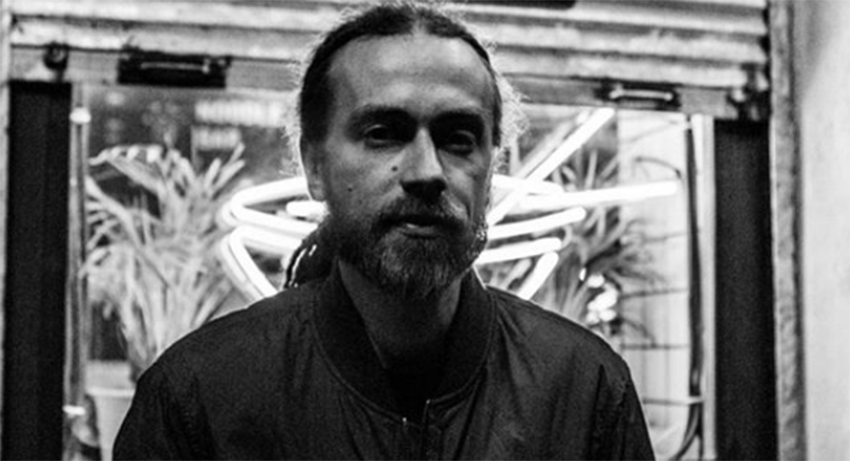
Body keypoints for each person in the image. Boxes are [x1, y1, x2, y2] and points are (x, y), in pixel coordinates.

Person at [114, 2, 656, 460]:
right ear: (314, 165)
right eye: (383, 133)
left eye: (458, 138)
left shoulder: (584, 392)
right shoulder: (200, 400)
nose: (426, 171)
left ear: (492, 168)